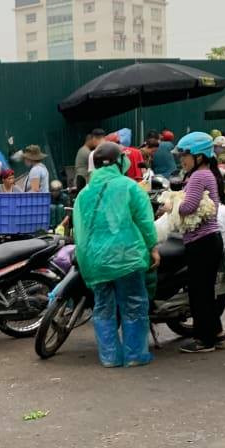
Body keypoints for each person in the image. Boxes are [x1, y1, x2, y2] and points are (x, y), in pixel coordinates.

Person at [72, 140, 159, 368]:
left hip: (95, 261)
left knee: (103, 309)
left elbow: (79, 231)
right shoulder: (130, 186)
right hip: (126, 257)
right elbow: (145, 222)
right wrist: (153, 247)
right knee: (134, 306)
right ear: (119, 162)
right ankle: (135, 355)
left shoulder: (84, 194)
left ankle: (110, 358)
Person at [175, 132, 225, 354]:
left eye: (185, 155)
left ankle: (204, 340)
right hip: (210, 241)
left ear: (199, 156)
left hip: (201, 242)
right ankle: (217, 333)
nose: (182, 160)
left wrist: (171, 206)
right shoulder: (208, 174)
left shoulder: (198, 177)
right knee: (205, 290)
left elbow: (188, 207)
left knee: (199, 292)